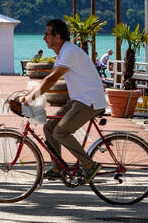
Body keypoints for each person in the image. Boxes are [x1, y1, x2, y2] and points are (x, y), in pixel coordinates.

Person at [26, 18, 106, 184]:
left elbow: (52, 79)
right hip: (79, 99)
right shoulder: (62, 53)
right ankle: (57, 168)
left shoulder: (69, 51)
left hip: (89, 100)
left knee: (60, 132)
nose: (44, 38)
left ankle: (89, 165)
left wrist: (31, 97)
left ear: (57, 37)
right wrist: (31, 92)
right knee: (49, 127)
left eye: (46, 34)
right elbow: (49, 78)